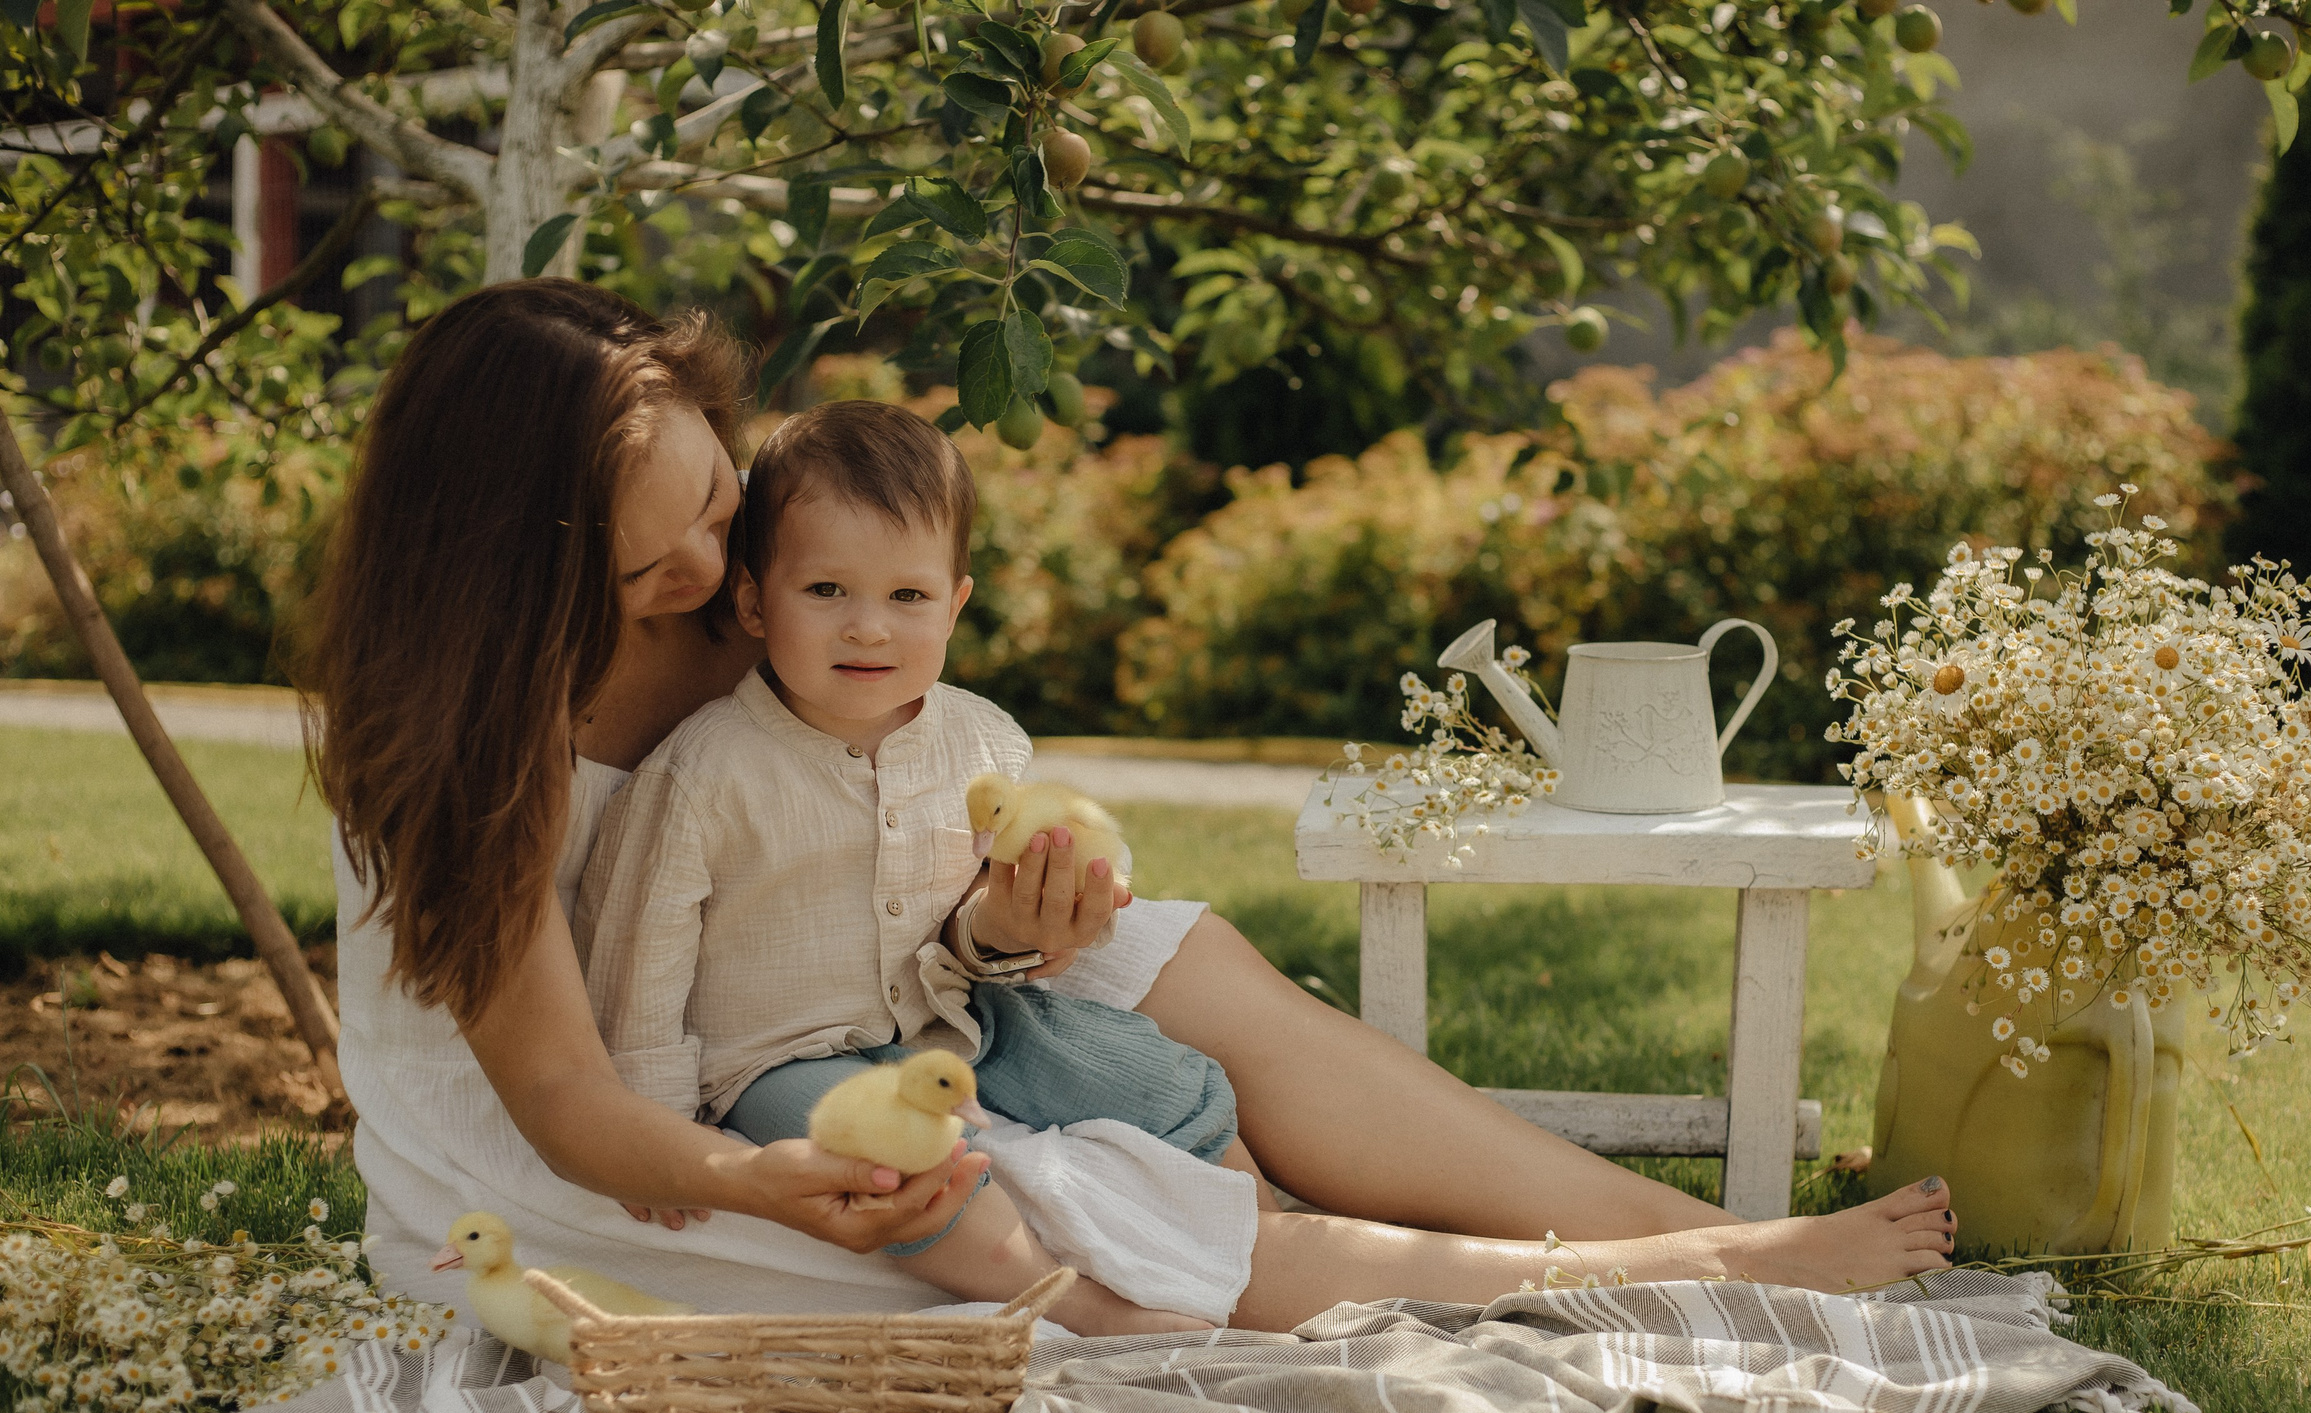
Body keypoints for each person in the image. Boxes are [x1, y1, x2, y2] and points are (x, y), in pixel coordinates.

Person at [310, 278, 1958, 1336]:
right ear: (514, 570)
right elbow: (571, 1094)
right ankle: (1636, 1276)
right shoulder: (469, 738)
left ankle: (1684, 1226)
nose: (710, 570)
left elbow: (906, 735)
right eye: (649, 552)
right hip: (654, 1124)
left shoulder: (745, 581)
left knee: (1187, 964)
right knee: (1064, 1219)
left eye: (720, 496)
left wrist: (1019, 909)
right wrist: (749, 1177)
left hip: (902, 975)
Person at [574, 402, 1251, 1335]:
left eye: (907, 598)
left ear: (955, 603)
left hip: (954, 1017)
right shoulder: (707, 772)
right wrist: (658, 1135)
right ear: (753, 601)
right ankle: (1086, 1307)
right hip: (775, 1057)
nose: (869, 630)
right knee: (907, 1168)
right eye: (825, 592)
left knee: (1153, 1074)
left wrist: (1046, 903)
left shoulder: (979, 738)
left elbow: (994, 895)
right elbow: (639, 953)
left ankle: (1261, 1229)